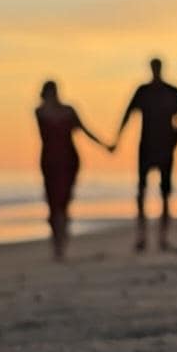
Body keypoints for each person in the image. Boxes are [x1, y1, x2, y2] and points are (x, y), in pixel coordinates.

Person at [112, 57, 177, 251]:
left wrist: (174, 141)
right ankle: (142, 237)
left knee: (165, 194)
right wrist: (117, 139)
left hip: (165, 148)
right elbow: (128, 115)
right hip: (146, 147)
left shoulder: (172, 93)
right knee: (141, 193)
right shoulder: (143, 92)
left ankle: (162, 237)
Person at [34, 81, 109, 261]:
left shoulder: (68, 111)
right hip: (50, 162)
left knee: (63, 202)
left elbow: (84, 130)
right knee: (53, 203)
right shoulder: (40, 112)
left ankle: (62, 241)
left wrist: (104, 145)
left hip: (68, 161)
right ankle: (57, 242)